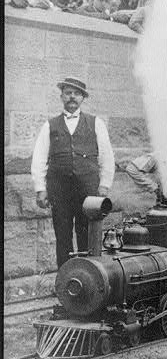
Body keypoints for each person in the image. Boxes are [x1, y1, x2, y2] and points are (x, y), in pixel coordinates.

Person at [31, 77, 115, 268]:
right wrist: (40, 189)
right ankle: (65, 280)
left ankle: (89, 280)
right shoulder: (50, 125)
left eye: (77, 93)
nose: (72, 97)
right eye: (68, 92)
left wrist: (104, 185)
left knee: (87, 234)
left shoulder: (96, 123)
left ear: (83, 98)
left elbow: (107, 156)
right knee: (63, 236)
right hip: (60, 192)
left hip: (88, 192)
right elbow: (39, 158)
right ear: (61, 96)